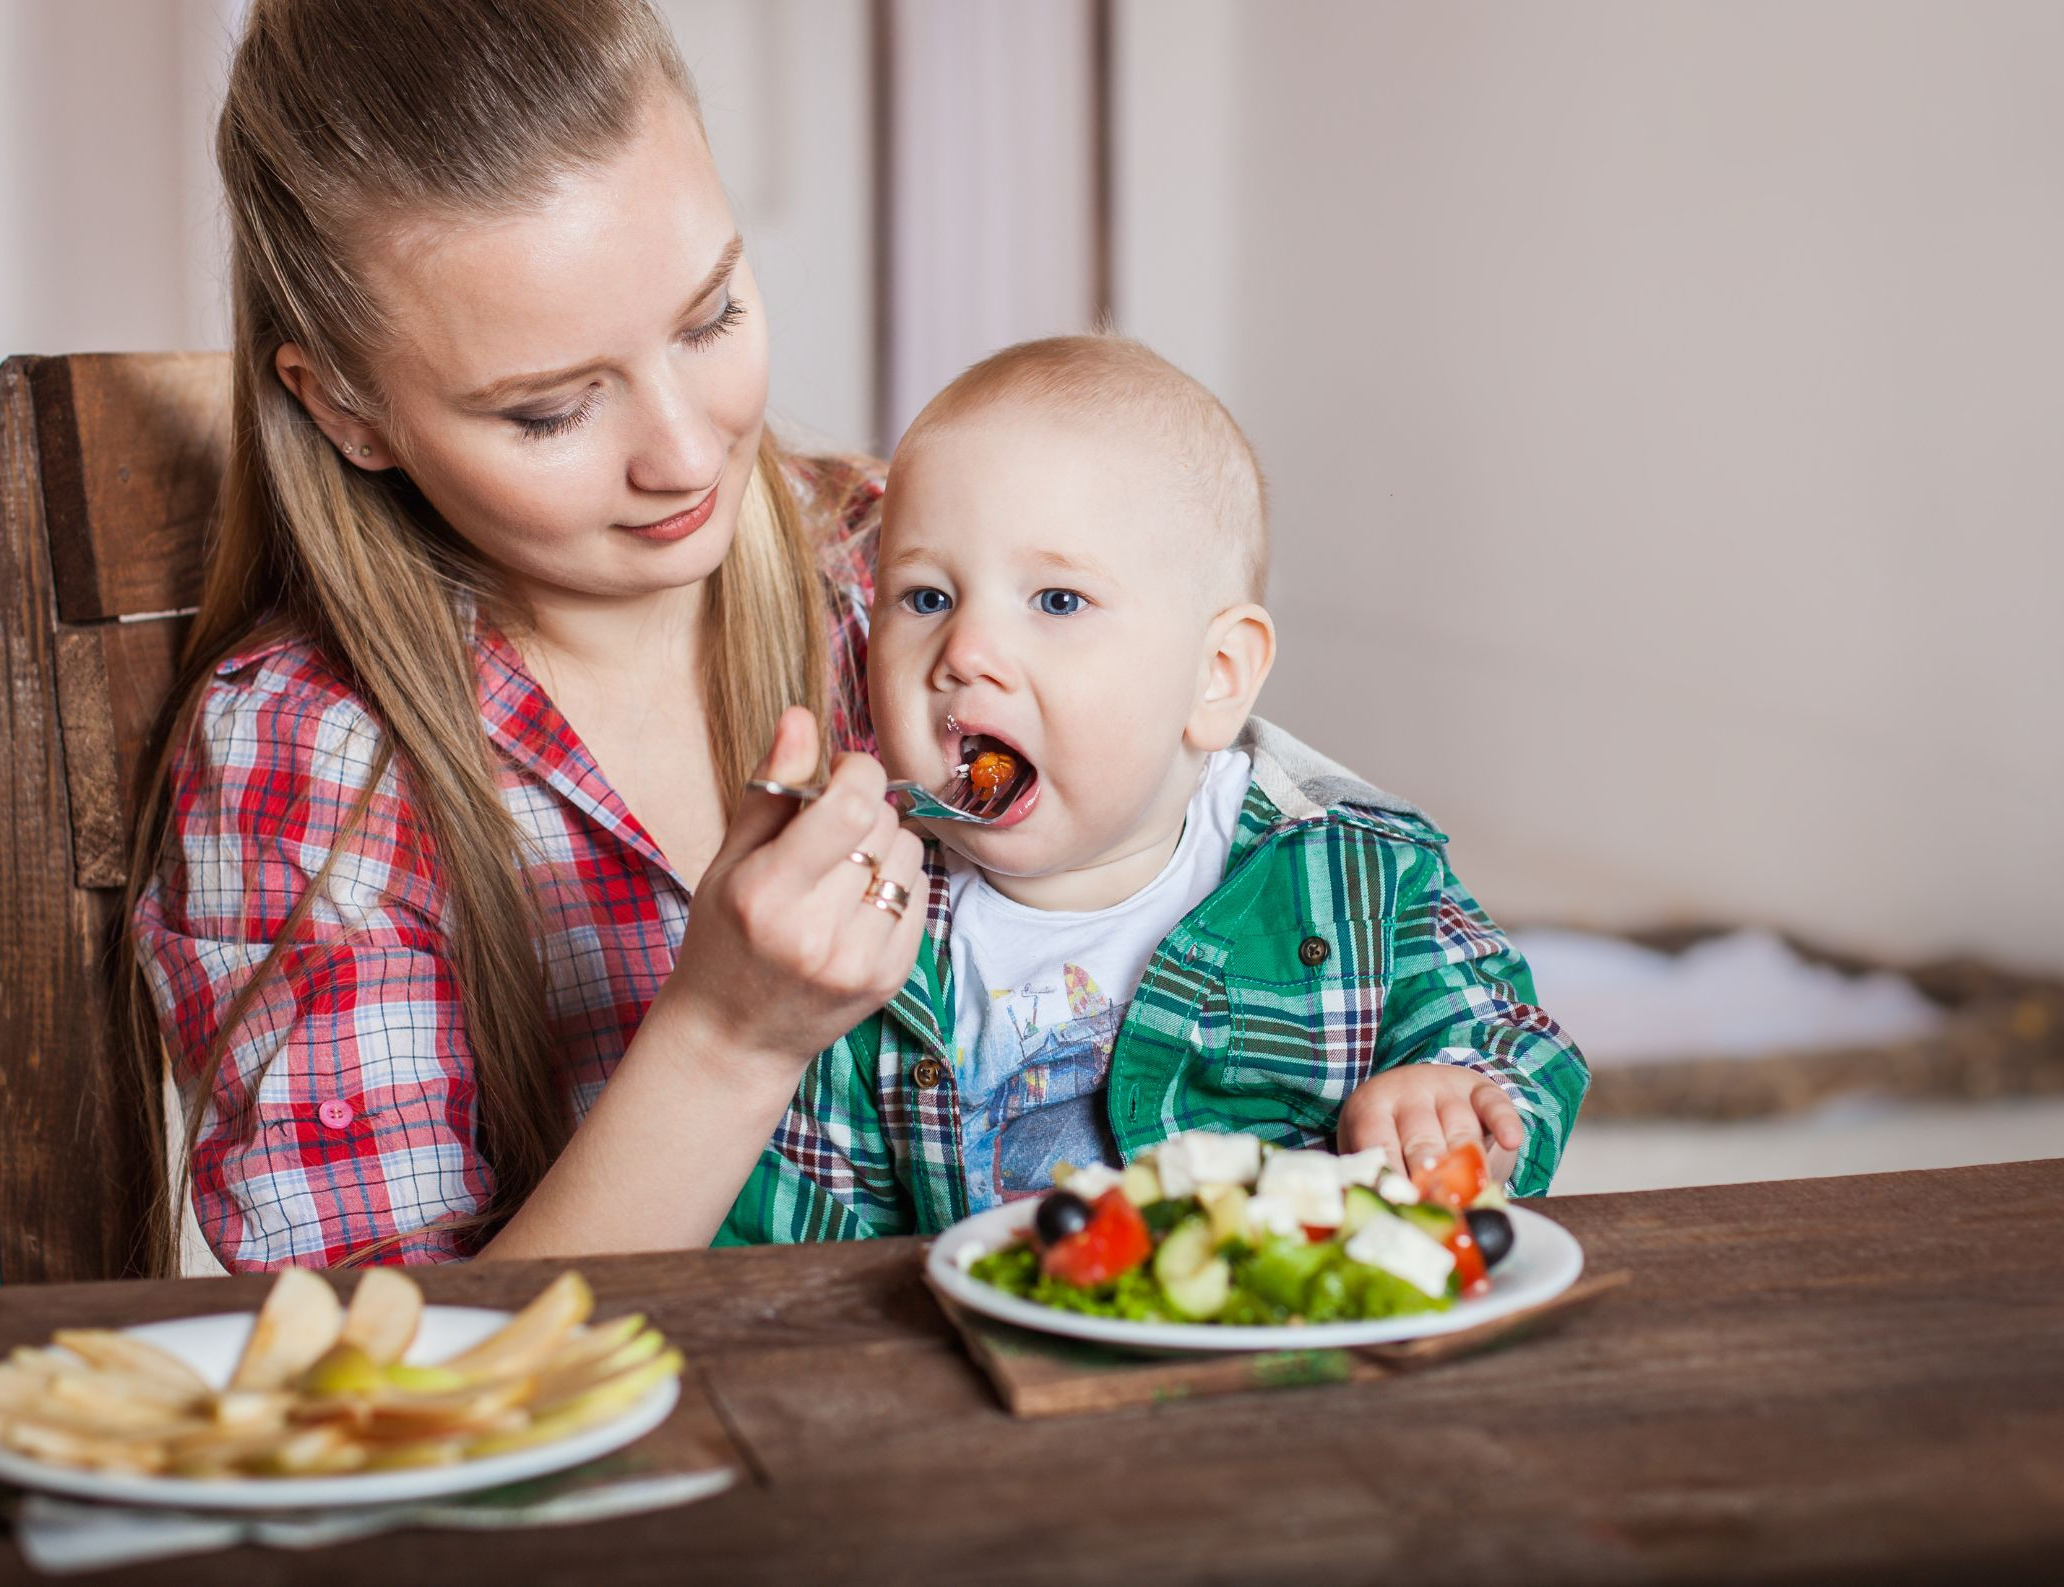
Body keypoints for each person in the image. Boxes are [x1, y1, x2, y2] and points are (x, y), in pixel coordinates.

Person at [127, 0, 931, 1272]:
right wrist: (731, 1038)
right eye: (549, 412)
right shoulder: (310, 758)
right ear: (349, 411)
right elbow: (392, 1388)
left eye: (711, 318)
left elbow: (1263, 865)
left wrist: (1373, 1067)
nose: (683, 455)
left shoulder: (901, 567)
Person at [723, 336, 1589, 1240]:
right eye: (927, 597)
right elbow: (797, 1232)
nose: (965, 652)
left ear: (1214, 675)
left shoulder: (1352, 873)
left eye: (1056, 601)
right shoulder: (865, 940)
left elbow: (1512, 1037)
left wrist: (1450, 1102)